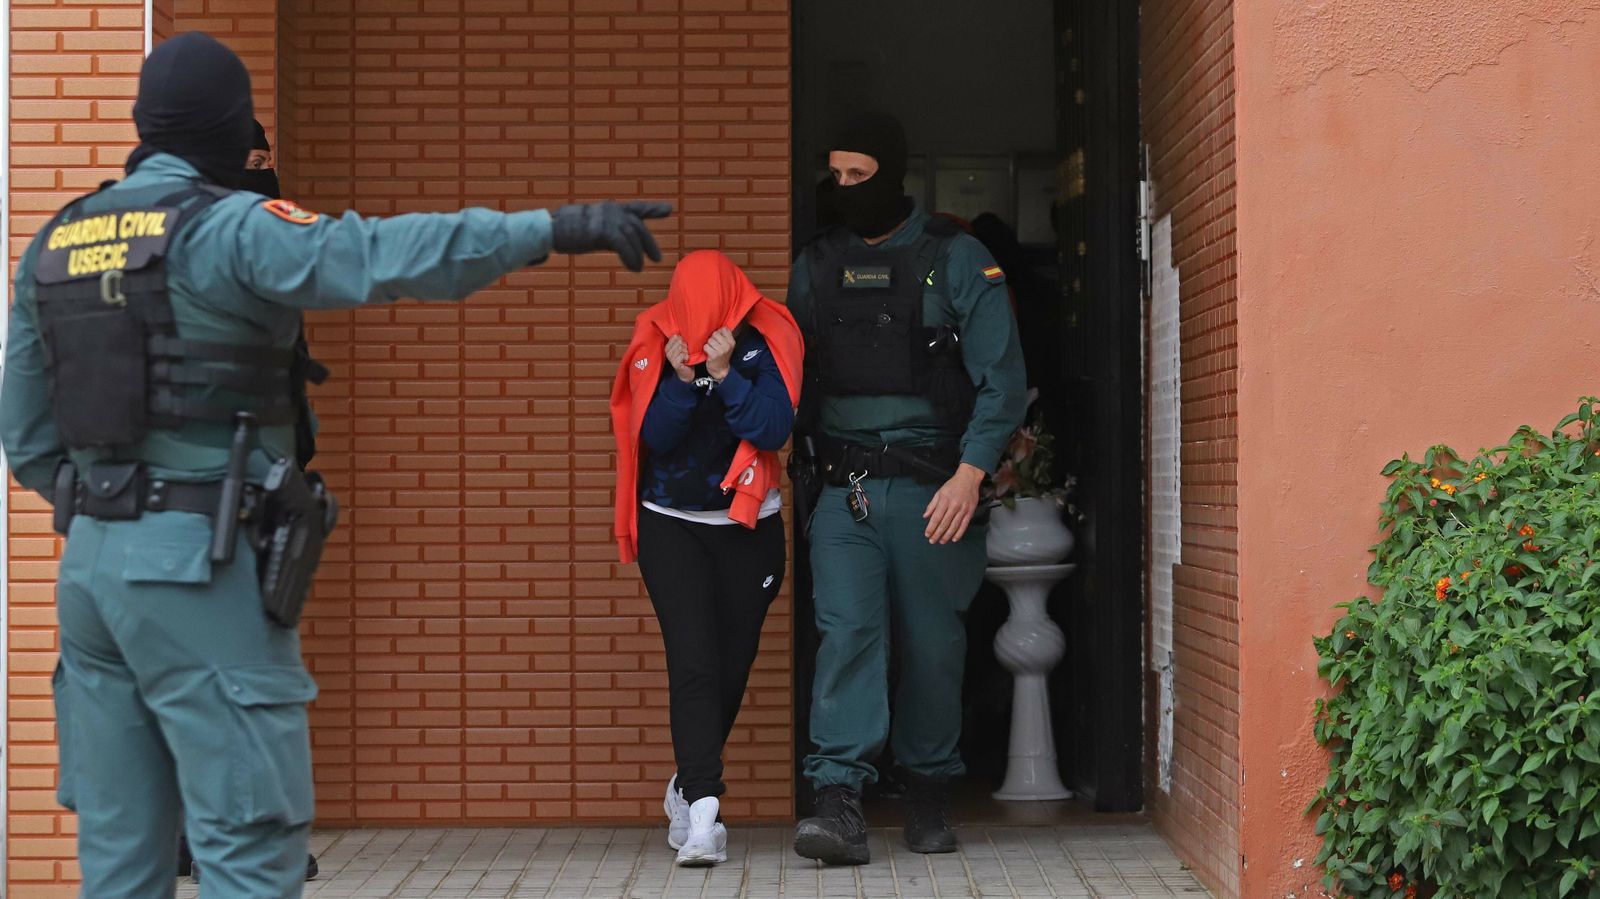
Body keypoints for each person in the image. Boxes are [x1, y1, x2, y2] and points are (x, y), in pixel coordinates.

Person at [0, 33, 669, 898]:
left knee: (123, 861)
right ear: (228, 125)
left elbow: (24, 434)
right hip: (199, 568)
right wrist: (550, 228)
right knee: (249, 850)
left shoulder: (57, 241)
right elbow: (382, 255)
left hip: (90, 575)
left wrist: (105, 507)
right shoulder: (228, 228)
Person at [787, 110, 1027, 865]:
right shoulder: (815, 265)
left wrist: (970, 473)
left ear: (892, 175)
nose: (847, 189)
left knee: (931, 647)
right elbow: (789, 379)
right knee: (848, 637)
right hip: (846, 490)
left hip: (935, 490)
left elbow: (1004, 381)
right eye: (839, 176)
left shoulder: (956, 259)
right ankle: (839, 801)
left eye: (862, 175)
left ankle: (927, 795)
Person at [610, 250, 803, 866]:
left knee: (730, 664)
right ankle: (702, 812)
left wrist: (724, 373)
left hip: (749, 523)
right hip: (671, 524)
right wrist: (683, 380)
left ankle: (686, 781)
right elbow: (653, 439)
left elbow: (772, 427)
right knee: (693, 659)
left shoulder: (764, 338)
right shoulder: (659, 341)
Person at [174, 117, 320, 887]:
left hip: (249, 491)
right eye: (253, 161)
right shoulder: (223, 245)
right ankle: (215, 835)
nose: (264, 175)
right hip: (216, 491)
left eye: (269, 161)